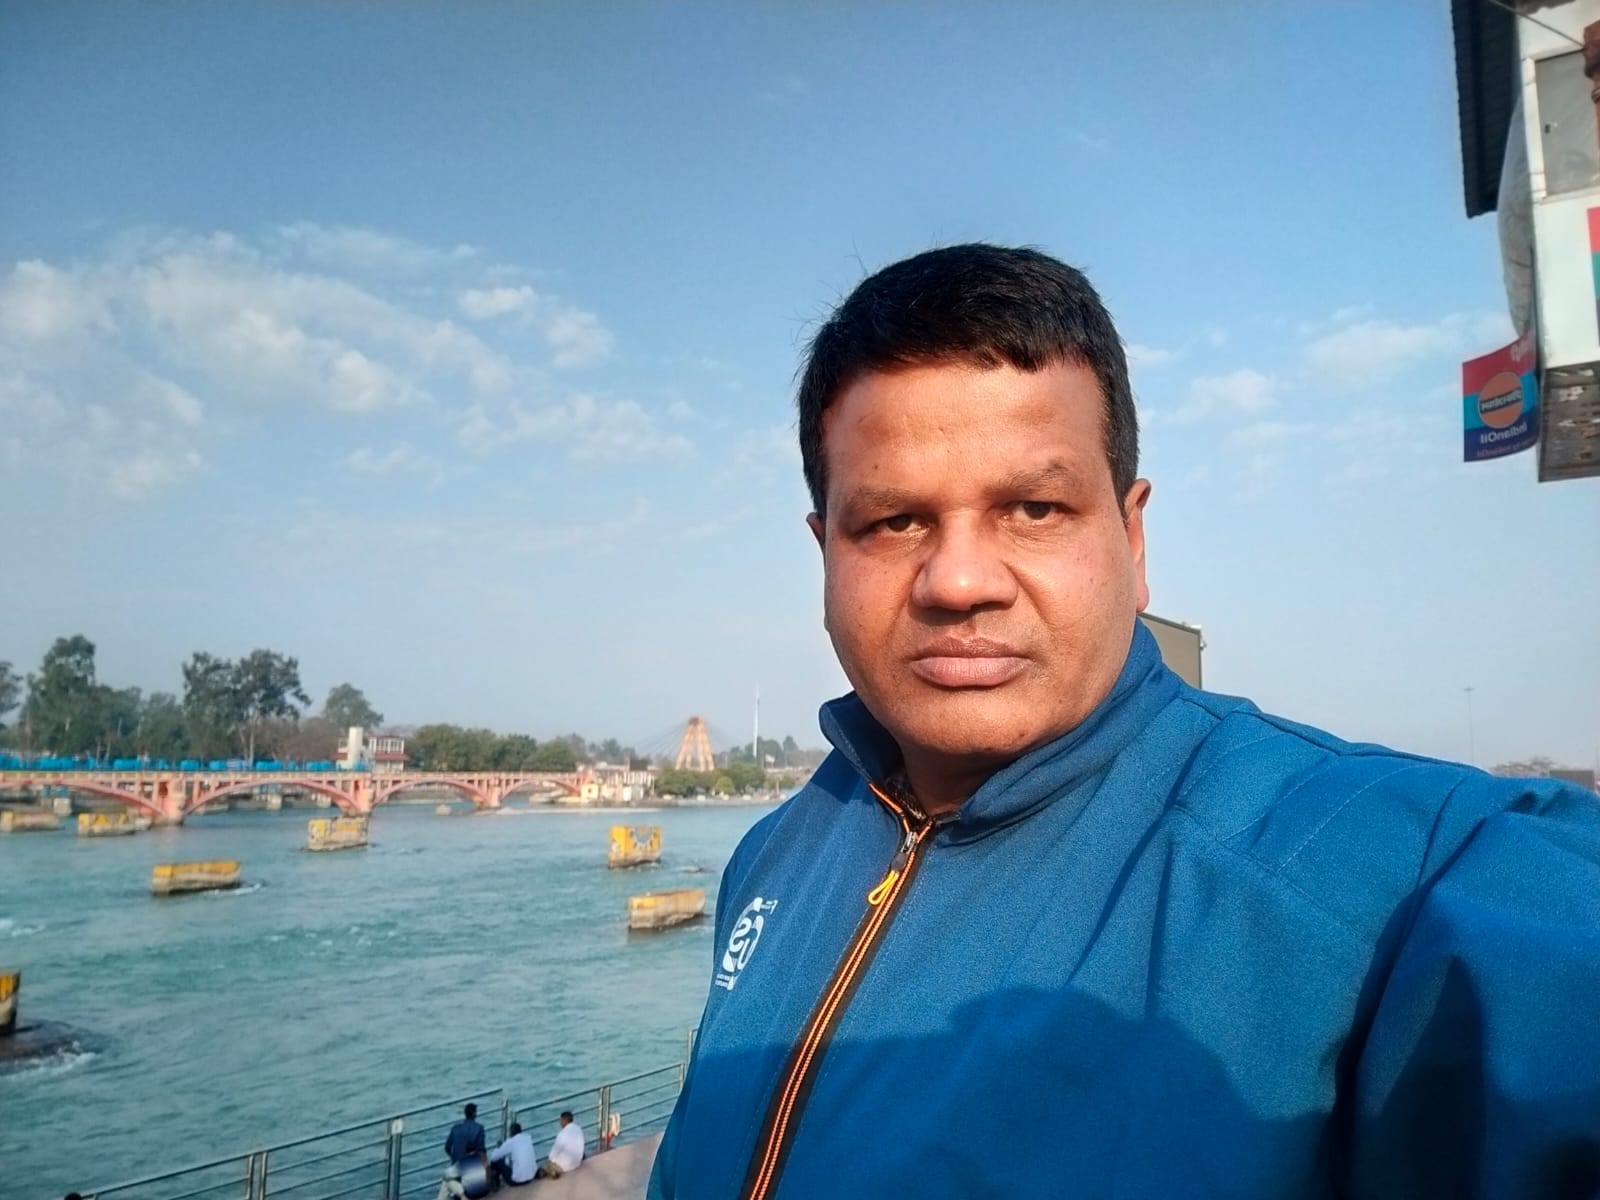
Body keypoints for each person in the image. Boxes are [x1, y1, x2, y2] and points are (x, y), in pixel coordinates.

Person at [648, 243, 1600, 1199]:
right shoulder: (776, 854)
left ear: (1132, 539)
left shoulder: (1379, 874)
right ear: (826, 552)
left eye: (1034, 508)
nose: (959, 582)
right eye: (894, 521)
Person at [435, 1103, 487, 1200]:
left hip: (458, 1164)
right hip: (475, 1166)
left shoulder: (455, 1128)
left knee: (447, 1180)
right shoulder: (479, 1128)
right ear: (475, 1114)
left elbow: (447, 1147)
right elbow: (482, 1149)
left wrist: (452, 1157)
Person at [535, 1111, 585, 1179]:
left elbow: (554, 1151)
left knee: (543, 1168)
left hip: (565, 1166)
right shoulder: (578, 1129)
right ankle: (553, 1170)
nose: (560, 1123)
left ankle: (553, 1171)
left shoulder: (562, 1134)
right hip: (577, 1162)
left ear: (564, 1121)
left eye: (560, 1120)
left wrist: (550, 1159)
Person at [487, 1121, 536, 1189]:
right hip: (531, 1177)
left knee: (496, 1162)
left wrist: (498, 1147)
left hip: (517, 1181)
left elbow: (493, 1157)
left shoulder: (511, 1141)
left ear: (511, 1132)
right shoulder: (528, 1137)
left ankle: (496, 1184)